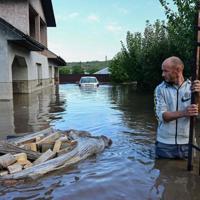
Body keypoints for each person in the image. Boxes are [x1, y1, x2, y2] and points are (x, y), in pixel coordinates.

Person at [154, 56, 200, 159]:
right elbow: (162, 116)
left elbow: (198, 115)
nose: (162, 74)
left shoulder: (193, 88)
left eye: (166, 71)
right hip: (164, 145)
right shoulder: (160, 89)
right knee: (163, 174)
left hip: (188, 144)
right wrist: (184, 112)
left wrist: (199, 95)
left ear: (178, 70)